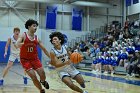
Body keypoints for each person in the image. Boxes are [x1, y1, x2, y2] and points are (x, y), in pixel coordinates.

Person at [16, 19, 50, 93]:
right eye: (34, 26)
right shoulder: (23, 35)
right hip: (25, 60)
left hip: (35, 59)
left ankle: (43, 81)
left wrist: (51, 57)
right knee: (33, 77)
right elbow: (17, 43)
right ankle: (41, 90)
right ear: (29, 27)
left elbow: (44, 49)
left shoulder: (37, 38)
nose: (35, 28)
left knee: (42, 73)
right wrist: (20, 44)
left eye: (36, 26)